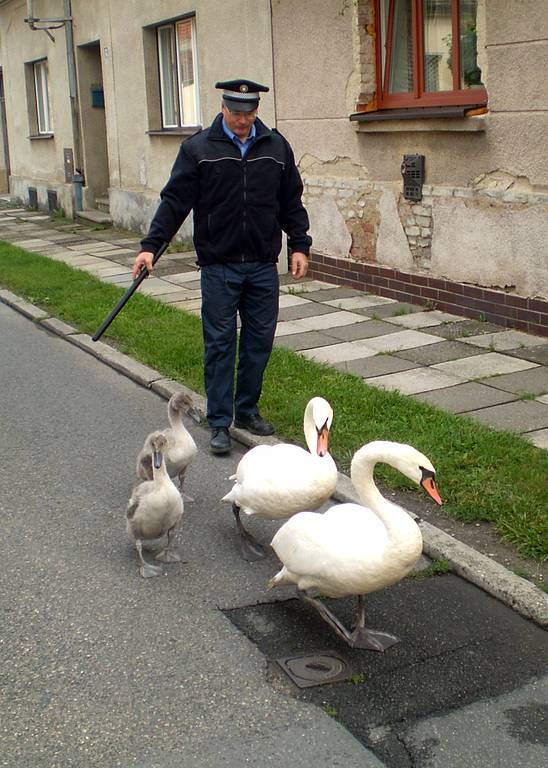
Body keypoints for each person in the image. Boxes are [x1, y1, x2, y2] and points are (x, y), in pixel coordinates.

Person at [132, 78, 312, 455]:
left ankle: (245, 410)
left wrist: (299, 245)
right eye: (236, 112)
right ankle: (219, 422)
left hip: (263, 265)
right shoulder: (198, 149)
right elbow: (174, 202)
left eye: (249, 113)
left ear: (256, 110)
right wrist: (151, 247)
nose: (243, 120)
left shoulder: (276, 147)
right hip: (219, 266)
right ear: (223, 107)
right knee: (219, 345)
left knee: (258, 344)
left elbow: (290, 201)